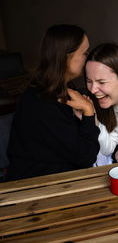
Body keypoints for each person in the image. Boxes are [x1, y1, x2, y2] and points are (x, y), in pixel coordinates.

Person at [6, 24, 100, 180]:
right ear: (66, 57)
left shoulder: (55, 87)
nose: (88, 57)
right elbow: (86, 157)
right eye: (85, 53)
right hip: (34, 186)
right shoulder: (44, 104)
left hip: (53, 179)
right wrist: (89, 111)